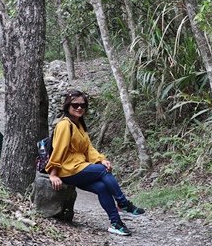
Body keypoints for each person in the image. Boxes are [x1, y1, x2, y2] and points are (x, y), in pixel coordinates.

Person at [45, 90, 145, 236]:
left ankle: (116, 223)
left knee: (102, 187)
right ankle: (123, 203)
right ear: (68, 106)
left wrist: (101, 159)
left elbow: (88, 149)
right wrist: (53, 174)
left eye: (82, 105)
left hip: (79, 168)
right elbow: (59, 150)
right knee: (102, 170)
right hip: (67, 169)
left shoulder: (79, 125)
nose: (79, 108)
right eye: (75, 105)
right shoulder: (64, 125)